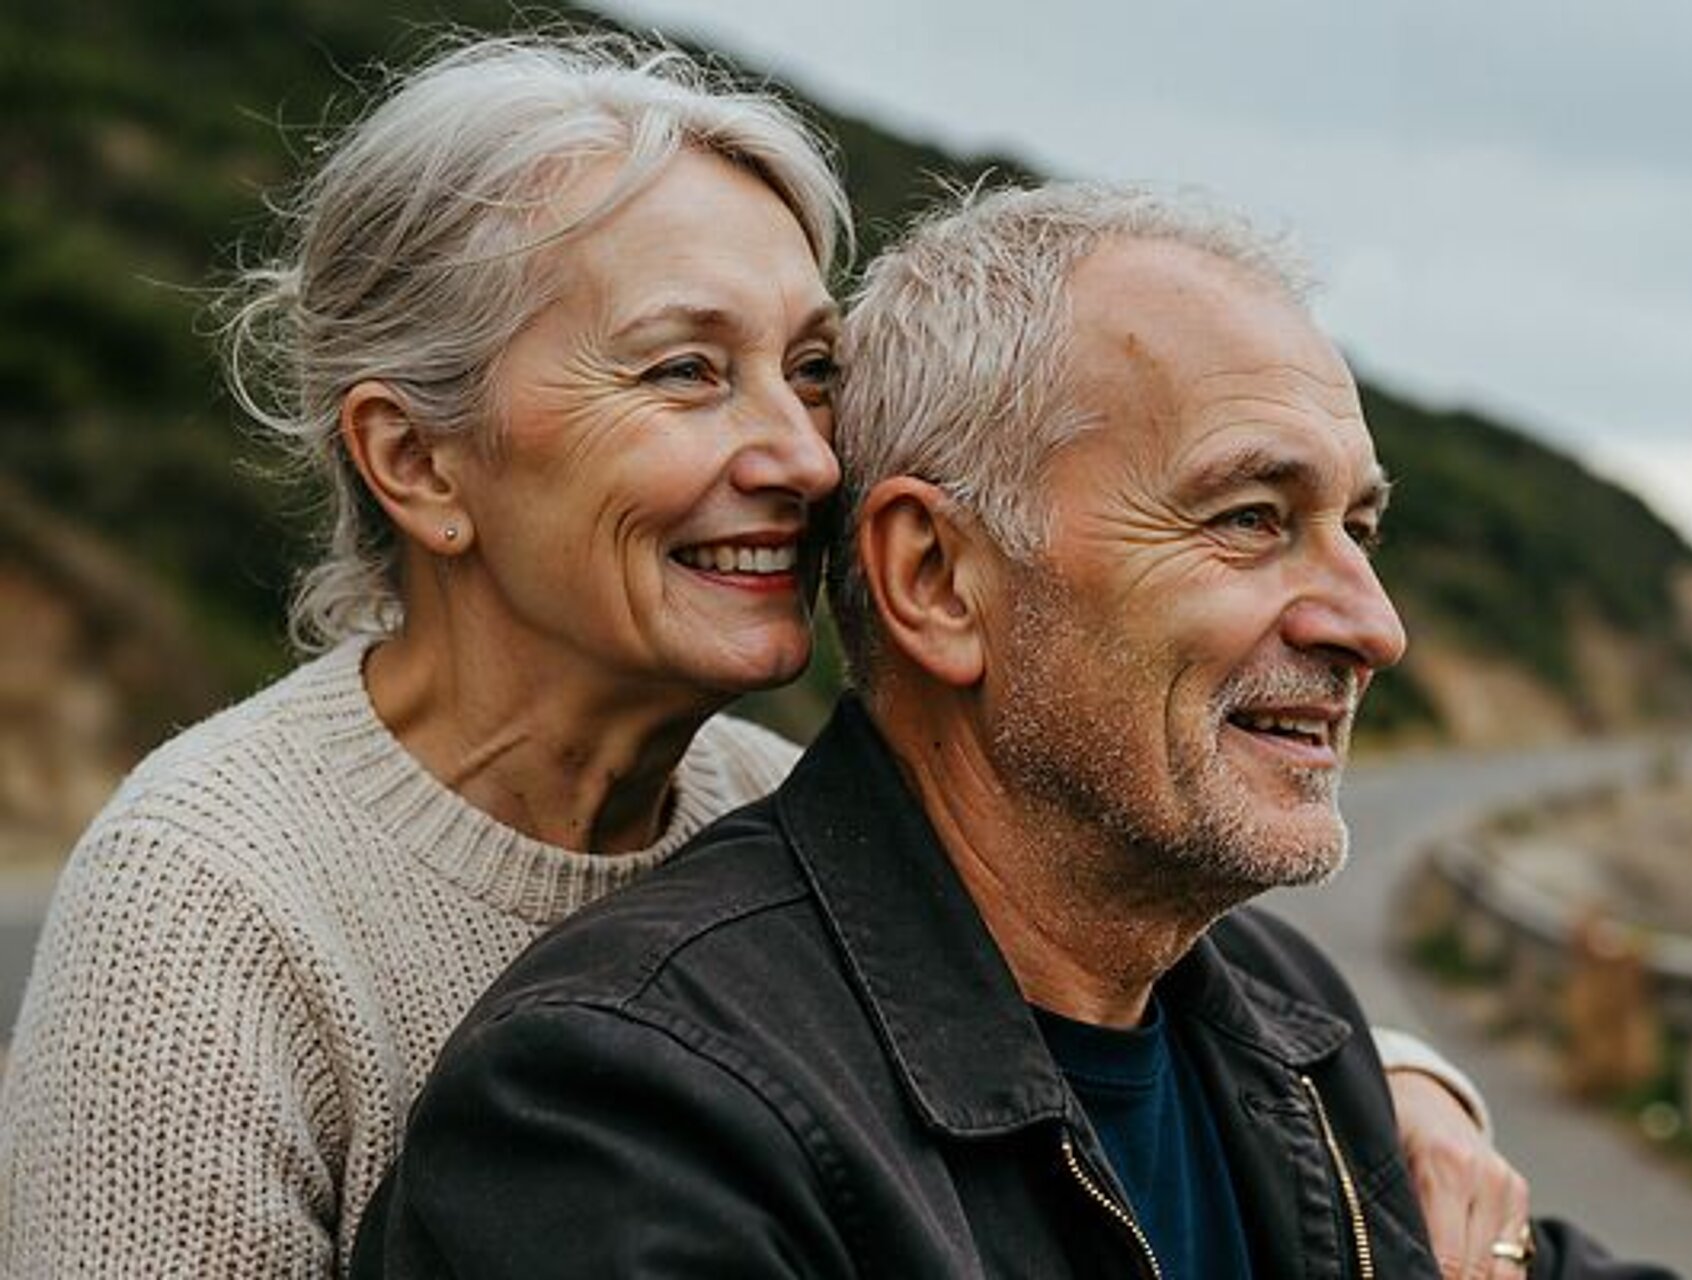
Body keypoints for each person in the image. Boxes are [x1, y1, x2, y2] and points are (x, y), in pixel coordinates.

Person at [0, 38, 1504, 1276]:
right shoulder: (210, 901)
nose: (798, 455)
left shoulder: (752, 790)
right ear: (419, 464)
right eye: (683, 372)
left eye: (809, 370)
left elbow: (1056, 977)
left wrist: (1399, 1084)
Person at [357, 183, 1676, 1279]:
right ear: (936, 579)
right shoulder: (632, 1111)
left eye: (1358, 529)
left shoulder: (1285, 1017)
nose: (1370, 625)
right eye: (1248, 519)